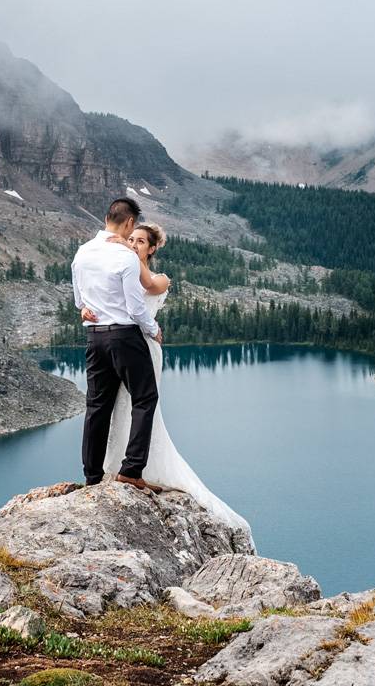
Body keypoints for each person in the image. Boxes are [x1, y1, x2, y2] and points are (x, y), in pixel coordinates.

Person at [77, 217, 253, 538]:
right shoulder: (123, 267)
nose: (133, 245)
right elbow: (100, 298)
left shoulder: (159, 278)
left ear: (153, 248)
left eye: (140, 242)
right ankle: (113, 466)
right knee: (114, 405)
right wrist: (84, 310)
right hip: (119, 342)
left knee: (143, 405)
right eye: (131, 240)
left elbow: (146, 286)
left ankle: (135, 467)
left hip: (142, 345)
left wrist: (124, 252)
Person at [72, 197, 162, 492]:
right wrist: (153, 329)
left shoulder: (82, 253)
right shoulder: (124, 258)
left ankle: (92, 476)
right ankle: (131, 469)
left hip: (94, 337)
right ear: (129, 223)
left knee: (97, 406)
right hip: (124, 336)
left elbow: (79, 301)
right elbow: (136, 309)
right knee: (145, 398)